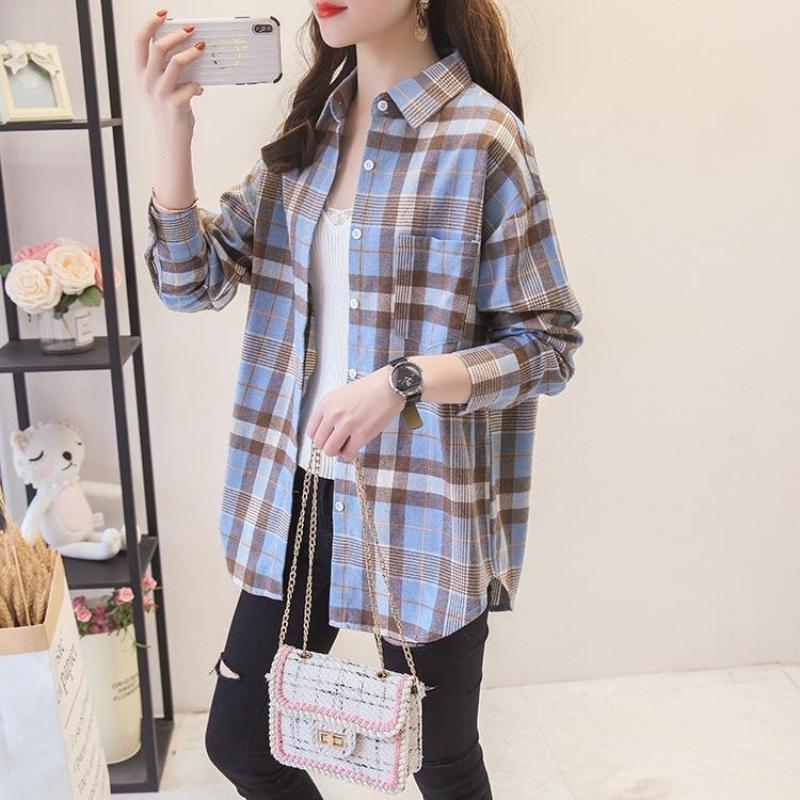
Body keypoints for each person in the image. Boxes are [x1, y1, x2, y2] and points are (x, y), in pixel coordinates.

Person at [137, 1, 584, 797]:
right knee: (242, 743)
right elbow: (190, 281)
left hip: (424, 505)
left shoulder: (482, 137)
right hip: (298, 493)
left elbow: (547, 345)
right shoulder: (307, 136)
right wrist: (174, 129)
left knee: (440, 763)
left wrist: (401, 382)